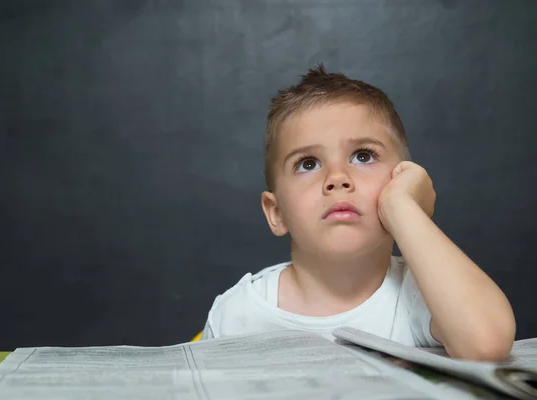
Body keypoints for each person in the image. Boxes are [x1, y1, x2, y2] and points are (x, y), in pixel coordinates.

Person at [200, 64, 516, 361]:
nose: (337, 178)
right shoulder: (237, 314)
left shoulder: (422, 298)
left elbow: (486, 343)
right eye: (308, 163)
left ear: (401, 180)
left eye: (363, 156)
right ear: (276, 212)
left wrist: (404, 209)